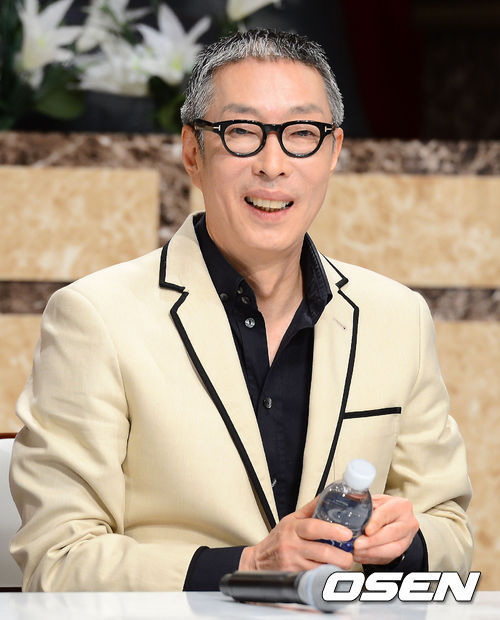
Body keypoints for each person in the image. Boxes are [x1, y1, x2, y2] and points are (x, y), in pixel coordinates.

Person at [10, 29, 472, 592]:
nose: (273, 165)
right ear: (192, 152)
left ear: (333, 152)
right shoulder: (94, 317)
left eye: (301, 133)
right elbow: (57, 560)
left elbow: (451, 531)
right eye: (242, 132)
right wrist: (248, 567)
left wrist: (407, 544)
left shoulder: (398, 317)